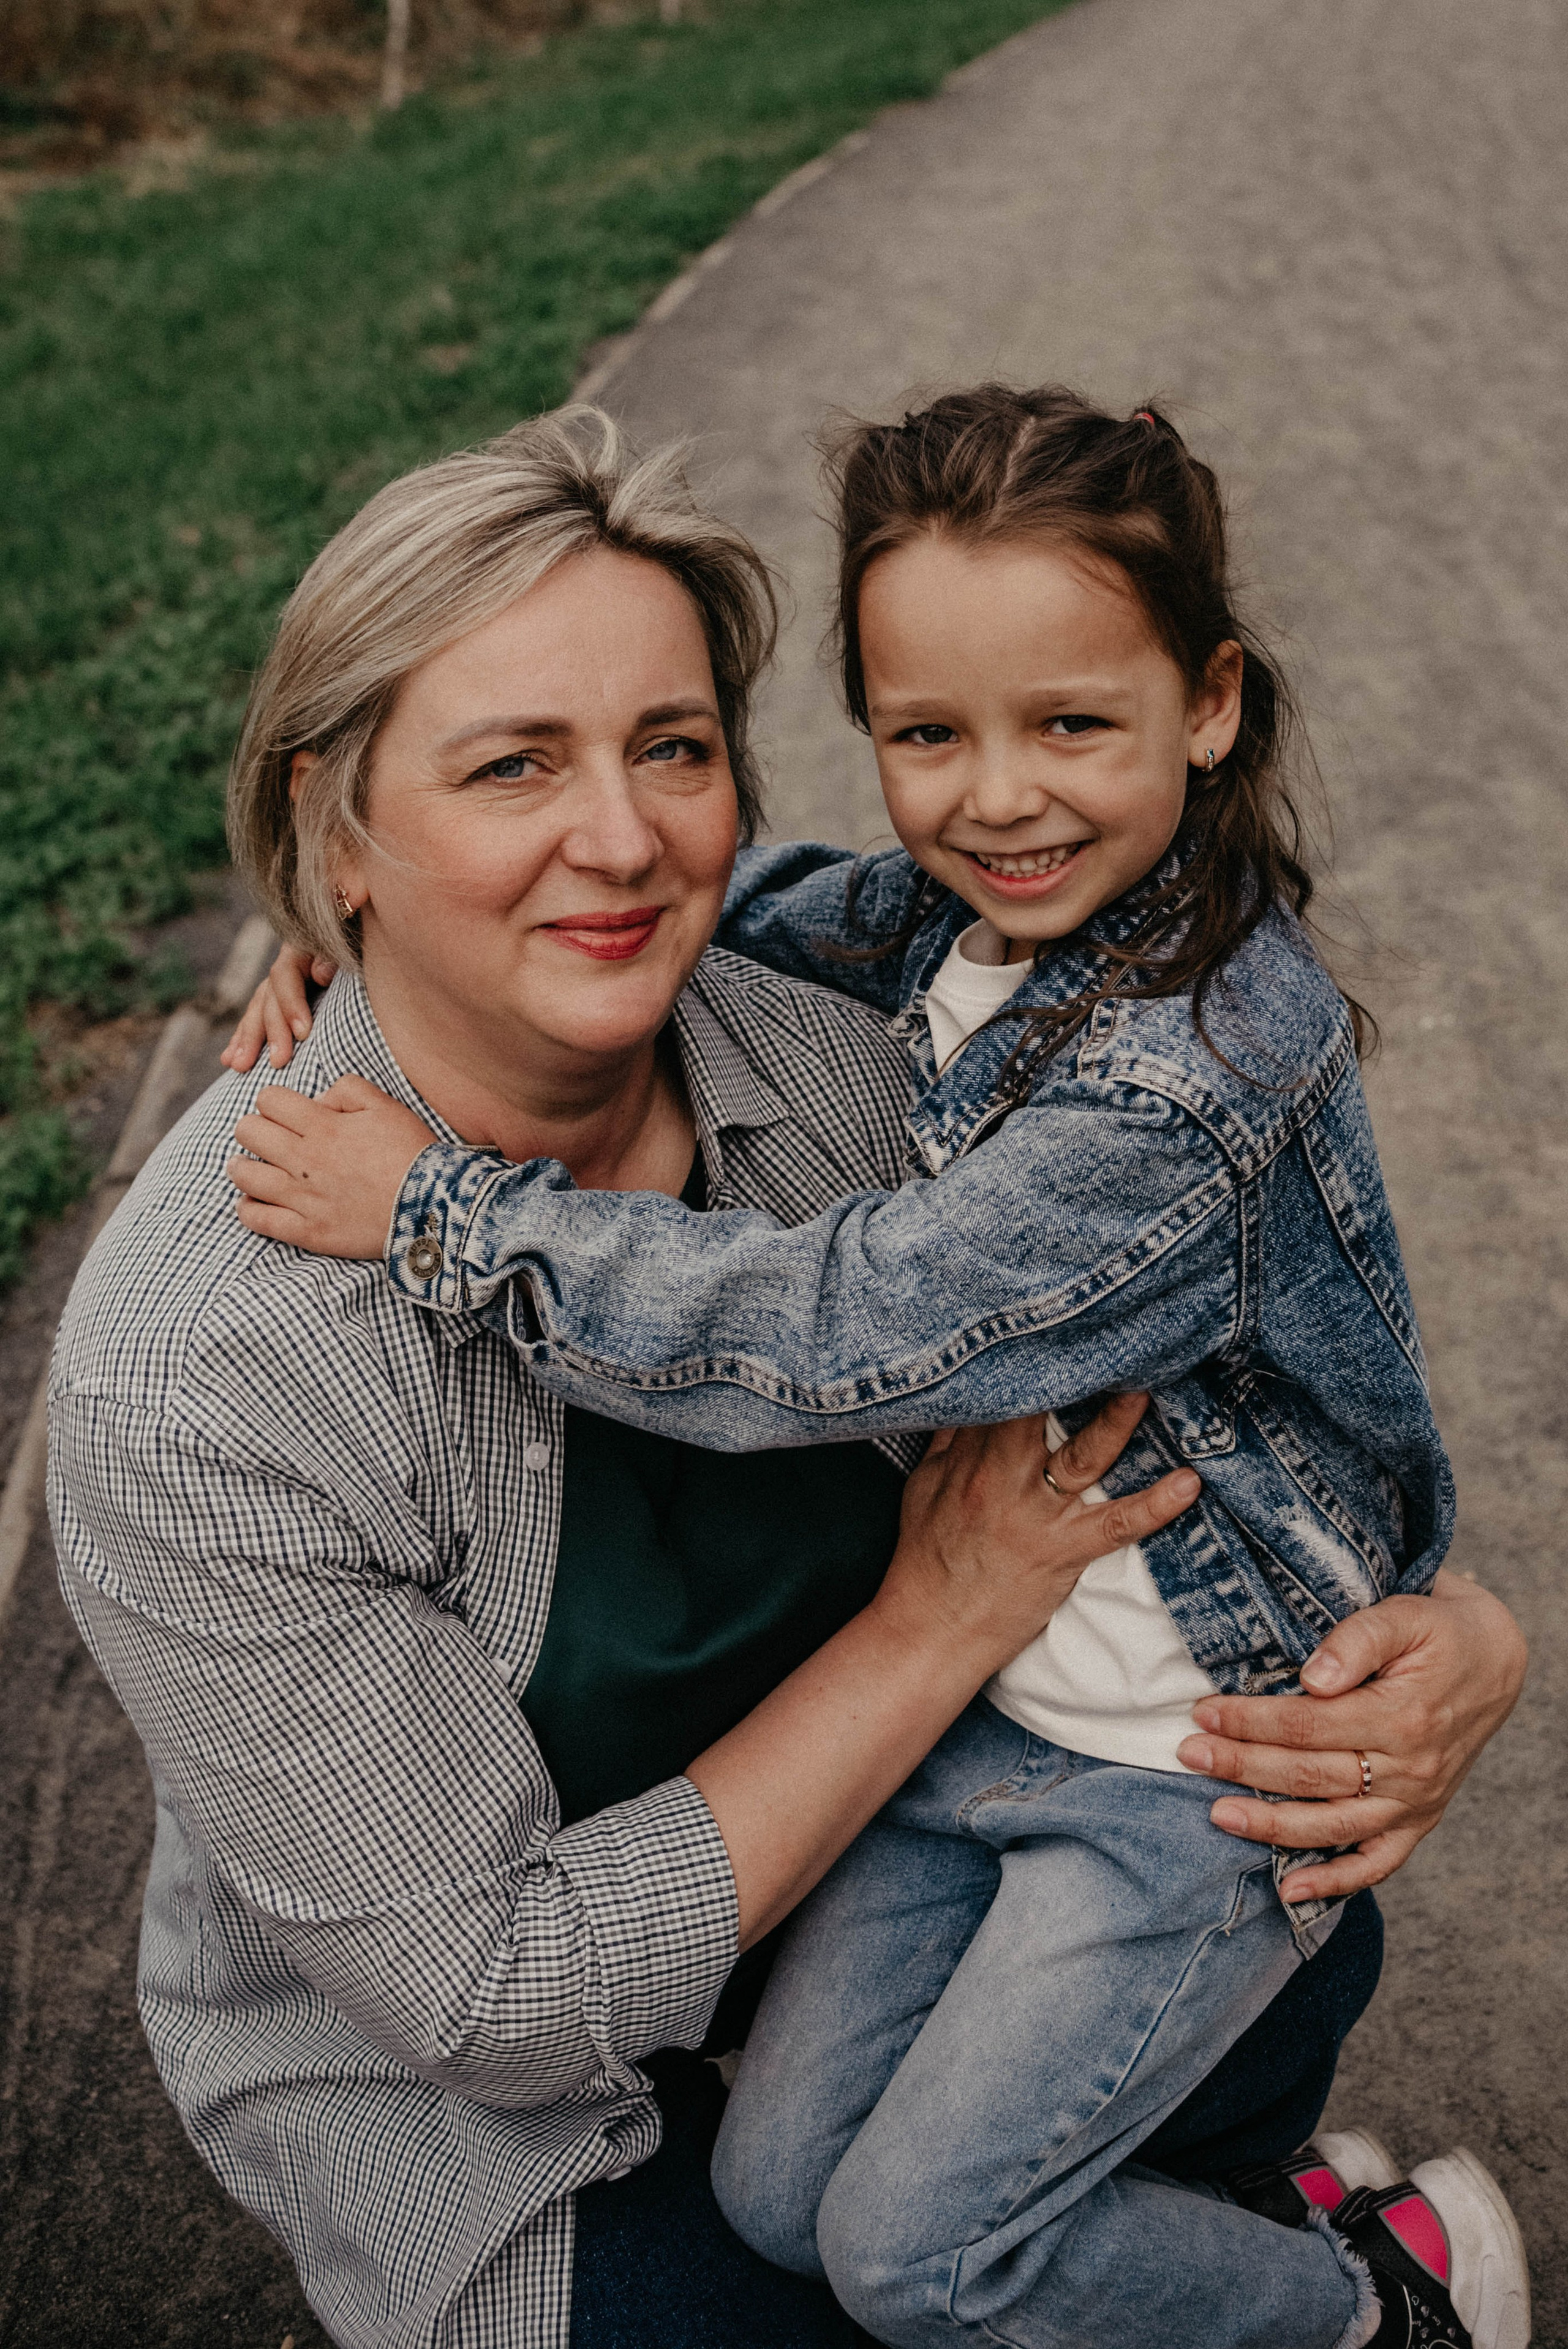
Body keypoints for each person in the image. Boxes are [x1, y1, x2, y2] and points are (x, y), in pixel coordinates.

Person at [51, 407, 1393, 2349]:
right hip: (496, 2097)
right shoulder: (198, 1363)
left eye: (672, 749)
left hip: (881, 1882)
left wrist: (1447, 1637)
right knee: (886, 2281)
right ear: (337, 825)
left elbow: (1232, 1320)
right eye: (514, 763)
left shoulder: (878, 1053)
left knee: (1282, 1882)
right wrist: (935, 1622)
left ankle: (1286, 2254)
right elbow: (492, 2001)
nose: (623, 836)